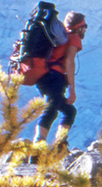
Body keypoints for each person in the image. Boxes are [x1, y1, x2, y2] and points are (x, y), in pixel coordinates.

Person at [33, 11, 86, 153]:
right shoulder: (73, 37)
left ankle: (57, 145)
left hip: (42, 76)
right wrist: (72, 89)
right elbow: (69, 61)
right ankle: (40, 149)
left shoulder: (58, 36)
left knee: (63, 110)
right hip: (54, 77)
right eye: (84, 26)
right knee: (54, 110)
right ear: (79, 26)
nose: (85, 29)